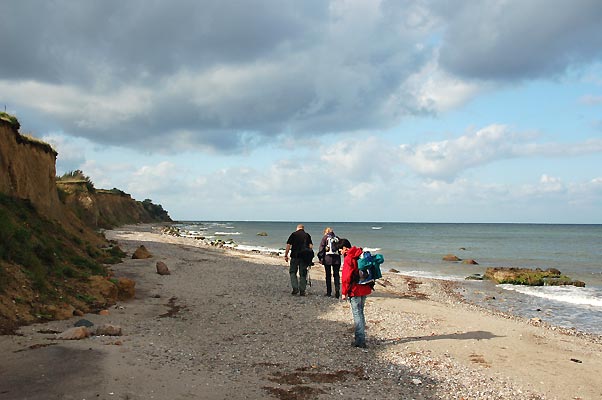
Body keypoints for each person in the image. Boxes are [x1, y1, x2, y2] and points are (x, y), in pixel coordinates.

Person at [339, 238, 372, 348]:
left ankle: (360, 340)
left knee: (357, 314)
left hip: (355, 290)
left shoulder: (349, 257)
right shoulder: (359, 253)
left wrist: (344, 292)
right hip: (365, 287)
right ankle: (361, 337)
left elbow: (346, 277)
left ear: (344, 248)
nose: (340, 252)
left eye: (340, 250)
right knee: (361, 312)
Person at [284, 224, 313, 296]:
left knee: (292, 272)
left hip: (295, 256)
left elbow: (288, 245)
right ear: (303, 229)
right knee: (303, 273)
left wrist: (286, 255)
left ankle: (295, 287)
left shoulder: (294, 234)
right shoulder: (307, 235)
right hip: (304, 257)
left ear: (297, 228)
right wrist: (310, 258)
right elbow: (310, 246)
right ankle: (302, 290)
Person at [317, 227, 341, 298]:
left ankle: (329, 292)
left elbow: (321, 249)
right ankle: (337, 291)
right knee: (336, 275)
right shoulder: (337, 238)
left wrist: (320, 258)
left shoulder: (325, 238)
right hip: (337, 259)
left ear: (326, 232)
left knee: (328, 275)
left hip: (327, 259)